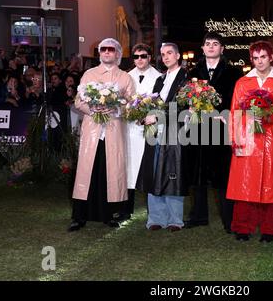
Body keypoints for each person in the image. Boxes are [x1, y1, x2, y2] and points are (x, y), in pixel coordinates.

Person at [226, 41, 273, 242]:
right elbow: (235, 112)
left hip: (270, 138)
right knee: (244, 183)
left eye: (263, 57)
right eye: (255, 58)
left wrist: (266, 114)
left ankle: (268, 229)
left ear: (271, 57)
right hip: (246, 137)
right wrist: (234, 139)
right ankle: (243, 227)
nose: (259, 61)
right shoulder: (242, 83)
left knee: (269, 184)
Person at [68, 38, 135, 231]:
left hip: (113, 132)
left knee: (110, 172)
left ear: (117, 53)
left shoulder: (125, 77)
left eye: (111, 50)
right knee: (86, 172)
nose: (107, 52)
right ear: (99, 53)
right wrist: (93, 109)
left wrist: (116, 111)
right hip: (92, 132)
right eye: (103, 49)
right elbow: (79, 102)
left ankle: (109, 215)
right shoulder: (89, 74)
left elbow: (131, 105)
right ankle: (79, 216)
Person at [185, 31, 243, 233]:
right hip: (198, 129)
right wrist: (189, 107)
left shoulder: (234, 73)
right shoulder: (192, 72)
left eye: (215, 43)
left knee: (224, 176)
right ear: (202, 48)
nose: (210, 46)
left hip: (221, 129)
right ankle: (199, 216)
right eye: (207, 43)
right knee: (198, 174)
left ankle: (230, 219)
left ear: (222, 48)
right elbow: (184, 100)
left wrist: (224, 114)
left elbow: (239, 101)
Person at [136, 42, 189, 231]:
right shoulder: (160, 79)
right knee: (154, 173)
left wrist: (157, 116)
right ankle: (156, 218)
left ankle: (175, 219)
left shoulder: (186, 79)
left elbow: (182, 108)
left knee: (172, 175)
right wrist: (142, 114)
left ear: (177, 55)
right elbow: (154, 102)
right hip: (156, 132)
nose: (165, 57)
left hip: (175, 131)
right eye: (162, 54)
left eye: (169, 53)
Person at [117, 43, 160, 221]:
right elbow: (120, 101)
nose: (140, 59)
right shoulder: (126, 76)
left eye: (143, 56)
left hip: (150, 128)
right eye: (136, 56)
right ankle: (126, 210)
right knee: (128, 169)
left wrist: (148, 116)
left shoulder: (159, 77)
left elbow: (161, 103)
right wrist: (130, 113)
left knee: (152, 168)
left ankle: (155, 212)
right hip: (129, 128)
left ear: (149, 57)